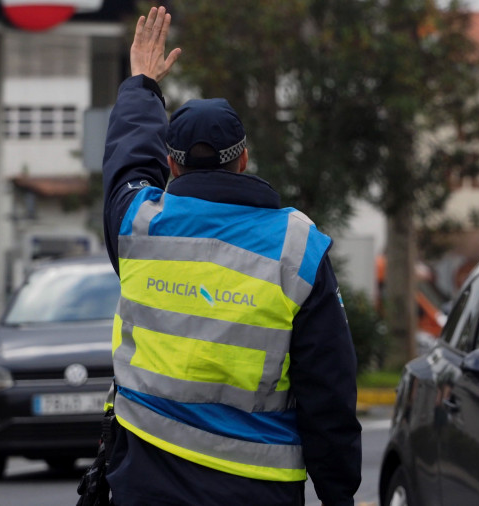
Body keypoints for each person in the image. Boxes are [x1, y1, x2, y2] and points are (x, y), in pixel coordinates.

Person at [98, 7, 361, 505]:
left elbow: (128, 161)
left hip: (146, 485)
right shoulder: (296, 247)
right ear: (243, 159)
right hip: (256, 491)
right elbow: (328, 390)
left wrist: (141, 85)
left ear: (172, 168)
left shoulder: (139, 226)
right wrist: (338, 495)